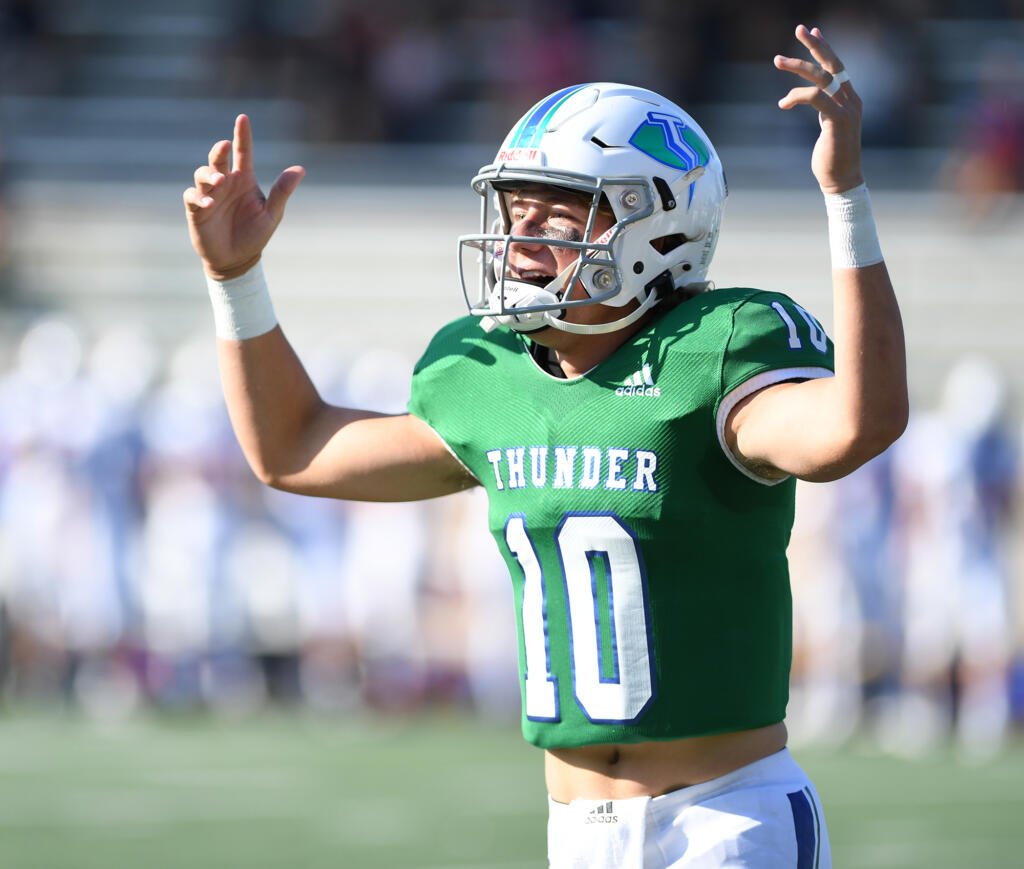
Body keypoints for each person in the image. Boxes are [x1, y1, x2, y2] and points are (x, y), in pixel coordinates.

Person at [183, 24, 907, 869]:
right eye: (514, 203)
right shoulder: (488, 374)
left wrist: (846, 195)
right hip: (574, 833)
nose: (521, 232)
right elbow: (295, 449)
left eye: (559, 207)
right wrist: (235, 279)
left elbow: (858, 424)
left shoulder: (717, 348)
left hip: (725, 821)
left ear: (658, 226)